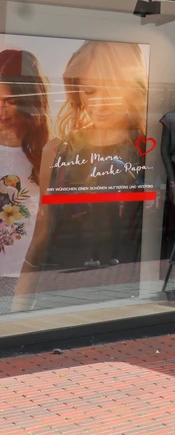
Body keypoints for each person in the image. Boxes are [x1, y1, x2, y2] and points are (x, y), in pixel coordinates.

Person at [24, 41, 149, 278]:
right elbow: (43, 229)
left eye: (113, 92)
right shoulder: (57, 151)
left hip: (130, 289)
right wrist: (22, 299)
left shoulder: (147, 149)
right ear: (76, 90)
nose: (100, 104)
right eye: (89, 91)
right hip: (59, 285)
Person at [0, 50, 51, 311]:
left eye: (10, 100)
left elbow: (47, 217)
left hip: (18, 270)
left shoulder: (43, 148)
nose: (2, 109)